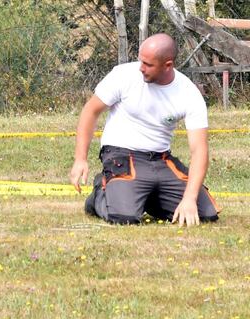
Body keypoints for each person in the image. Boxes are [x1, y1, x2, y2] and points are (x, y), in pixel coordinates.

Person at [69, 33, 219, 226]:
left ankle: (143, 195)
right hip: (121, 154)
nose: (141, 68)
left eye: (148, 64)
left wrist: (189, 198)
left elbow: (199, 150)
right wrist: (80, 159)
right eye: (141, 61)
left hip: (161, 160)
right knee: (124, 218)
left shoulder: (188, 93)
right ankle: (102, 190)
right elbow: (90, 111)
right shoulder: (123, 75)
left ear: (168, 65)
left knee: (205, 214)